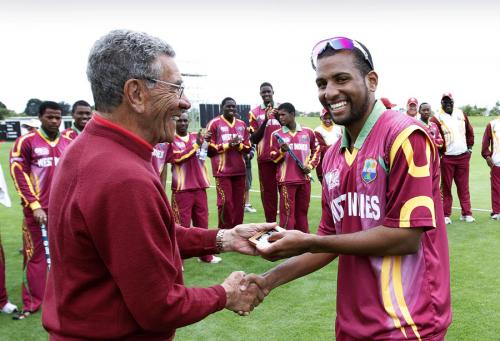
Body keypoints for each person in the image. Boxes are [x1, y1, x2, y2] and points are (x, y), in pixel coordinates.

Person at [42, 30, 272, 340]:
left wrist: (223, 238)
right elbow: (158, 307)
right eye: (176, 88)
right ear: (136, 94)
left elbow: (143, 237)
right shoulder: (123, 176)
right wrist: (226, 293)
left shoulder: (92, 150)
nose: (185, 102)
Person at [244, 36, 451, 340]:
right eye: (321, 83)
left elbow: (405, 238)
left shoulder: (406, 137)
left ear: (371, 81)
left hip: (407, 324)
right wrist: (267, 281)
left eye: (341, 79)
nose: (329, 92)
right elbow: (330, 237)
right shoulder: (330, 157)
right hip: (351, 325)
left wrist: (309, 241)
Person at [9, 101, 72, 319]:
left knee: (67, 254)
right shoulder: (25, 142)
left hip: (64, 209)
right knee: (36, 256)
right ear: (40, 117)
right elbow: (19, 174)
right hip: (37, 211)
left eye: (58, 117)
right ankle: (33, 302)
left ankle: (66, 296)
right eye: (50, 117)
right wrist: (34, 205)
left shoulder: (67, 142)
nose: (54, 121)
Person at [167, 112, 221, 263]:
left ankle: (205, 256)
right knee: (181, 225)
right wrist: (197, 144)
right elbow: (177, 158)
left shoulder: (195, 137)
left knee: (202, 223)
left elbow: (206, 154)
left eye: (185, 120)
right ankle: (178, 260)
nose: (183, 123)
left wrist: (206, 143)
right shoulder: (170, 139)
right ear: (175, 122)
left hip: (199, 185)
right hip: (182, 188)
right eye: (180, 121)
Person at [270, 102, 319, 232]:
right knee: (287, 216)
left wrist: (310, 166)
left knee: (302, 214)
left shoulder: (308, 132)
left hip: (304, 180)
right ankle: (285, 246)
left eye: (283, 115)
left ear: (292, 114)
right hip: (286, 181)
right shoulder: (276, 134)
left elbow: (317, 150)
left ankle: (303, 243)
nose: (280, 118)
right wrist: (282, 151)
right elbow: (273, 158)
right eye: (279, 115)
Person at [207, 97, 251, 229]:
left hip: (240, 170)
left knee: (239, 203)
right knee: (225, 202)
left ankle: (237, 230)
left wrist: (239, 146)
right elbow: (210, 149)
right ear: (222, 107)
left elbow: (248, 147)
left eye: (233, 106)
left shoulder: (242, 125)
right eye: (228, 106)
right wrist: (228, 145)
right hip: (222, 171)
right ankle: (225, 231)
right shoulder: (214, 123)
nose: (231, 109)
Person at [430, 93, 475, 224]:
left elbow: (469, 132)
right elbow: (435, 138)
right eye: (445, 102)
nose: (448, 103)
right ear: (441, 103)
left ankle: (466, 213)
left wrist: (470, 148)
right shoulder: (436, 118)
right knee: (446, 187)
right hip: (447, 158)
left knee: (463, 186)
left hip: (463, 157)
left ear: (453, 101)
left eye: (450, 101)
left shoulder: (461, 114)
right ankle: (445, 214)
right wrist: (440, 155)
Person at [249, 83, 281, 222]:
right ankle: (271, 226)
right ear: (260, 94)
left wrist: (277, 116)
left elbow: (290, 130)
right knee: (269, 195)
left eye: (268, 91)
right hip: (265, 159)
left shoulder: (282, 108)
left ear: (273, 91)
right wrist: (266, 120)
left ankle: (288, 228)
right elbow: (254, 138)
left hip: (283, 158)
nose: (266, 94)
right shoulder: (254, 113)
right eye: (263, 92)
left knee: (286, 193)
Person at [314, 108, 342, 183]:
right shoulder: (318, 130)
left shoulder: (338, 129)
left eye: (330, 118)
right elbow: (320, 148)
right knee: (326, 186)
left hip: (338, 161)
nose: (328, 120)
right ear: (321, 118)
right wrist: (334, 147)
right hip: (325, 162)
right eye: (325, 118)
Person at [481, 115, 500, 220]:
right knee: (496, 188)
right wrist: (487, 156)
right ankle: (496, 212)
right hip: (497, 162)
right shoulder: (492, 124)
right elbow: (485, 142)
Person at [244, 144, 257, 213]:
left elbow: (253, 145)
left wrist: (250, 154)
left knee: (248, 184)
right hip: (240, 163)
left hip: (247, 163)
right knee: (246, 185)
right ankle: (246, 205)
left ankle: (246, 204)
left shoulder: (249, 134)